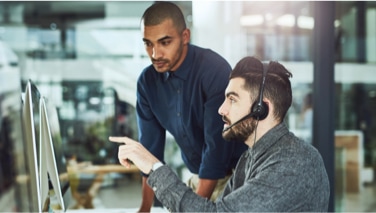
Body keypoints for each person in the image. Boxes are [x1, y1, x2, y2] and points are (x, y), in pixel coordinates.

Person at [110, 56, 330, 212]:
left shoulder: (293, 163)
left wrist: (154, 166)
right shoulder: (250, 158)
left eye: (232, 100)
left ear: (261, 109)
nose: (221, 109)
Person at [128, 2, 246, 212]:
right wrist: (144, 208)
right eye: (148, 43)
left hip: (237, 181)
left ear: (185, 36)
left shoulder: (214, 70)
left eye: (165, 42)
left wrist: (195, 207)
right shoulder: (147, 83)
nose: (155, 54)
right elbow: (149, 150)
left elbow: (216, 151)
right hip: (198, 177)